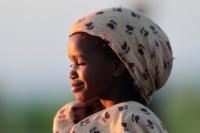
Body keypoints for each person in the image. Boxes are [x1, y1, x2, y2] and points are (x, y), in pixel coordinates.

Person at [53, 7, 173, 133]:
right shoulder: (81, 116)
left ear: (117, 66)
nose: (72, 73)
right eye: (72, 64)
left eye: (80, 62)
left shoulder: (129, 120)